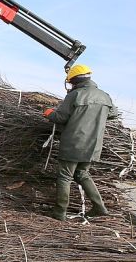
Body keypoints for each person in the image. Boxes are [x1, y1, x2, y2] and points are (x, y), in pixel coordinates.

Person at [43, 64, 116, 220]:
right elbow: (113, 114)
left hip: (73, 143)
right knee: (82, 174)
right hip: (94, 145)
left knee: (65, 176)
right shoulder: (105, 95)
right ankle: (99, 207)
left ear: (74, 80)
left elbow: (60, 117)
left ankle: (60, 213)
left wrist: (48, 113)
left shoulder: (75, 95)